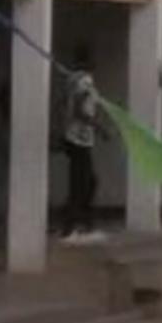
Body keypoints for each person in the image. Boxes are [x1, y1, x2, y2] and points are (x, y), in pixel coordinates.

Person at [54, 71, 103, 244]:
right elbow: (79, 111)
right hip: (76, 142)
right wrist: (99, 127)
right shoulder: (81, 90)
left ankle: (81, 222)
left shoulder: (85, 88)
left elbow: (78, 108)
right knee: (81, 183)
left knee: (88, 182)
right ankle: (70, 228)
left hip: (81, 141)